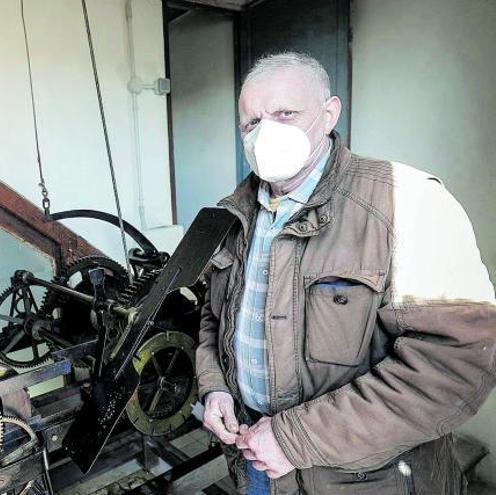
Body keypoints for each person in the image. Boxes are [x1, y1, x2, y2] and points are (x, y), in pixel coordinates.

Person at [195, 52, 495, 494]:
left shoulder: (408, 203)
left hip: (365, 479)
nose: (265, 133)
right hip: (253, 459)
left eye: (284, 114)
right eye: (251, 123)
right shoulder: (231, 216)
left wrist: (294, 439)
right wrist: (215, 387)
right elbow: (212, 319)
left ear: (329, 112)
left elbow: (455, 363)